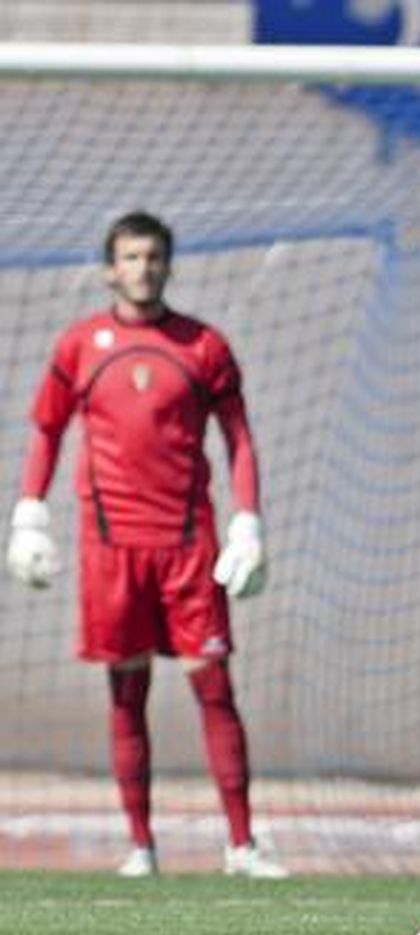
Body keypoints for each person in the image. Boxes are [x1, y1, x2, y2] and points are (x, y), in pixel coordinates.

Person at [6, 211, 286, 880]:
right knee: (126, 694)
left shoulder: (205, 345)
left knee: (214, 688)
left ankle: (242, 846)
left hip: (189, 547)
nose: (143, 268)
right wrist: (29, 513)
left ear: (168, 265)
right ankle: (141, 847)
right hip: (111, 549)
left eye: (153, 256)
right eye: (131, 257)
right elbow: (47, 430)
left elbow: (238, 437)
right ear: (111, 269)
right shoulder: (80, 344)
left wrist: (248, 521)